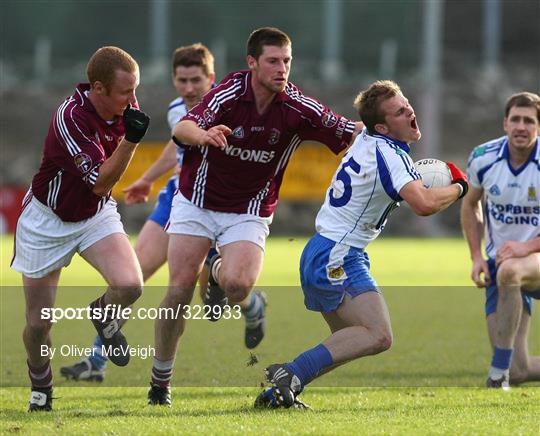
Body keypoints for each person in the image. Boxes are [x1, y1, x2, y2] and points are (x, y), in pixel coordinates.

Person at [147, 27, 363, 406]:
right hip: (196, 200)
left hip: (248, 210)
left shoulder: (298, 107)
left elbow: (349, 131)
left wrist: (386, 131)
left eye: (287, 61)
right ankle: (160, 382)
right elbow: (183, 127)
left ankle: (215, 270)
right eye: (273, 61)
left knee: (238, 286)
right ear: (252, 63)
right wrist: (204, 135)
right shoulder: (229, 92)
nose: (282, 69)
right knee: (179, 288)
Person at [255, 80, 469, 409]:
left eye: (406, 103)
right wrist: (459, 186)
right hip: (337, 255)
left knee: (349, 341)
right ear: (382, 126)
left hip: (322, 251)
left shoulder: (368, 136)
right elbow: (424, 204)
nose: (410, 110)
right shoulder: (388, 155)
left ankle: (279, 394)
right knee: (378, 335)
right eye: (400, 111)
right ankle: (289, 374)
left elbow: (361, 126)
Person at [58, 43, 226, 383]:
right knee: (132, 277)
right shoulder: (178, 109)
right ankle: (96, 361)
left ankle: (251, 305)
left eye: (196, 80)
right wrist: (148, 178)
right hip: (177, 200)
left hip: (220, 206)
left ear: (211, 78)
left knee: (225, 286)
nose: (189, 88)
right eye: (182, 80)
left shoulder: (229, 107)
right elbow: (176, 146)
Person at [10, 46, 150, 411]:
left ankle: (104, 313)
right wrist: (131, 141)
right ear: (99, 89)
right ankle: (41, 387)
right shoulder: (70, 118)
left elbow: (100, 195)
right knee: (39, 325)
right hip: (47, 221)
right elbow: (100, 182)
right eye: (125, 92)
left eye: (135, 90)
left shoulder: (123, 112)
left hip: (94, 216)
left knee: (130, 285)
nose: (133, 101)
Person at [460, 91, 540, 390]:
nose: (522, 126)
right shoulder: (483, 158)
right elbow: (470, 204)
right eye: (516, 119)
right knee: (518, 370)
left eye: (529, 121)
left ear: (538, 127)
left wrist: (526, 247)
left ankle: (496, 375)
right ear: (505, 123)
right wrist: (477, 257)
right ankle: (506, 371)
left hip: (533, 258)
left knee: (511, 270)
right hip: (500, 264)